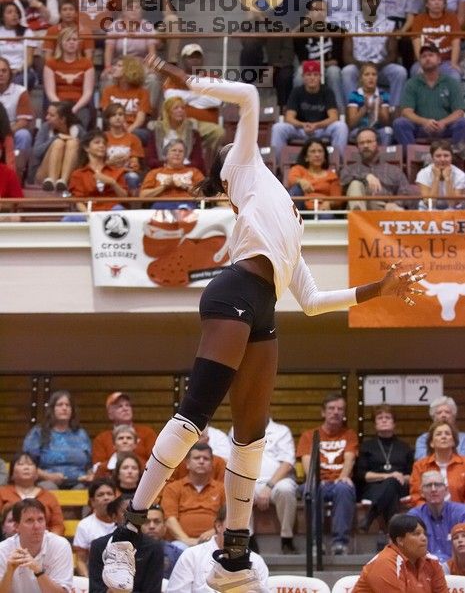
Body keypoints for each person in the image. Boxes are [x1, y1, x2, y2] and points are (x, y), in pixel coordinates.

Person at [101, 59, 427, 593]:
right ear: (231, 173)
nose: (243, 147)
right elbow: (249, 99)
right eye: (234, 152)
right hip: (233, 291)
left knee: (250, 434)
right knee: (193, 417)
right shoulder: (244, 167)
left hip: (264, 309)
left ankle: (232, 554)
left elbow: (316, 300)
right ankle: (126, 535)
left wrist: (378, 290)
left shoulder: (289, 219)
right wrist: (195, 83)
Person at [297, 392, 358, 555]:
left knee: (344, 489)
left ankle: (340, 543)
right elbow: (306, 462)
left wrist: (343, 477)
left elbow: (349, 459)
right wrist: (316, 479)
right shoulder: (309, 435)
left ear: (344, 414)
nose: (336, 412)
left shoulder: (349, 435)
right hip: (317, 481)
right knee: (312, 489)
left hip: (338, 482)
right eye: (331, 408)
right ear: (323, 412)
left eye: (340, 409)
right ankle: (316, 543)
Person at [166, 505, 269, 593]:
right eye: (235, 522)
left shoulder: (257, 561)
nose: (241, 530)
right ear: (219, 526)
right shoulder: (191, 555)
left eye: (246, 524)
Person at [271, 60, 348, 164]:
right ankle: (278, 166)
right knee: (278, 128)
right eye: (309, 75)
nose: (312, 78)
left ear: (320, 76)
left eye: (315, 75)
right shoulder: (297, 92)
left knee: (341, 127)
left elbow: (333, 117)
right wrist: (303, 125)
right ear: (303, 77)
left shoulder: (327, 91)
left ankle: (338, 164)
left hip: (321, 129)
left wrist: (316, 125)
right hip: (301, 129)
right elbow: (289, 118)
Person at [342, 0, 408, 110]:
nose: (370, 3)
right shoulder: (351, 24)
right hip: (359, 67)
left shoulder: (388, 24)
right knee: (347, 71)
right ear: (360, 3)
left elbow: (392, 54)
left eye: (373, 0)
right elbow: (347, 56)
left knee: (400, 71)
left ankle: (393, 110)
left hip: (381, 67)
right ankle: (352, 110)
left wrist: (376, 67)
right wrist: (364, 67)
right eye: (366, 0)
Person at [352, 513, 449, 592]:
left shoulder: (432, 562)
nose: (424, 538)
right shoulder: (385, 563)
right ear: (400, 541)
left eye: (425, 534)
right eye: (416, 534)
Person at [163, 44, 224, 167]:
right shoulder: (174, 78)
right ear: (183, 60)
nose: (195, 60)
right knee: (185, 127)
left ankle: (208, 167)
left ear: (202, 59)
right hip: (182, 123)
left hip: (206, 125)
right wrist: (201, 94)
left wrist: (186, 97)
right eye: (191, 57)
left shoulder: (212, 77)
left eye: (197, 57)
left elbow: (217, 100)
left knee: (219, 132)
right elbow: (171, 97)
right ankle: (184, 165)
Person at [392, 44, 465, 147]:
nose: (427, 58)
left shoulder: (451, 82)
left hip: (446, 127)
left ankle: (455, 156)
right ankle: (413, 159)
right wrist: (424, 122)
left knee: (463, 123)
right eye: (423, 56)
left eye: (430, 55)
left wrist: (443, 122)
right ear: (420, 62)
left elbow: (459, 112)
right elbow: (406, 112)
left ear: (439, 59)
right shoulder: (411, 83)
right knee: (399, 123)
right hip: (421, 128)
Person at [89, 495, 165, 593]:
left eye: (136, 514)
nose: (132, 518)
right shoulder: (98, 545)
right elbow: (95, 589)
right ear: (114, 517)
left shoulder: (154, 548)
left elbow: (153, 589)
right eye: (126, 512)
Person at [357, 405, 414, 534]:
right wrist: (388, 476)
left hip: (401, 486)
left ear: (394, 423)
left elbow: (412, 475)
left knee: (393, 483)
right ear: (375, 424)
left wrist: (399, 477)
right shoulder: (367, 446)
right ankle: (391, 534)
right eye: (380, 418)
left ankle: (371, 515)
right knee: (391, 485)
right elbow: (362, 475)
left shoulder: (404, 447)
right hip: (373, 487)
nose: (384, 420)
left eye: (388, 418)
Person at [160, 443, 226, 550]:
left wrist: (214, 531)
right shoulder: (173, 488)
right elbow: (169, 519)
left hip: (214, 540)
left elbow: (228, 518)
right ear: (187, 463)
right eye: (196, 458)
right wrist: (186, 540)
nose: (201, 461)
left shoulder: (222, 489)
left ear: (211, 464)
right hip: (181, 542)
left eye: (206, 459)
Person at [22, 389, 92, 489]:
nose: (64, 408)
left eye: (68, 405)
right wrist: (48, 477)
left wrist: (89, 476)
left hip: (79, 482)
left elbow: (89, 465)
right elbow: (27, 464)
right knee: (50, 489)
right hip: (47, 481)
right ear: (52, 409)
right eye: (60, 405)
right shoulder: (38, 432)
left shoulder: (81, 434)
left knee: (85, 491)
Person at [0, 499, 74, 592]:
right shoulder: (2, 550)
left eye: (40, 519)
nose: (37, 526)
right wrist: (9, 572)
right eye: (29, 521)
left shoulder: (60, 545)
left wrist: (38, 571)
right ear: (16, 526)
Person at [250, 417, 298, 555]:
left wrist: (268, 486)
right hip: (250, 481)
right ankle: (248, 539)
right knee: (238, 490)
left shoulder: (281, 431)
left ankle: (286, 538)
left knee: (286, 490)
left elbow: (288, 463)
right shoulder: (237, 429)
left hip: (277, 481)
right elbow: (233, 460)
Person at [339, 127, 412, 211]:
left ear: (378, 144)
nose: (365, 146)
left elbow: (406, 193)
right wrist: (365, 176)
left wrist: (395, 204)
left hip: (384, 210)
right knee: (355, 183)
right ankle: (359, 217)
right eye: (361, 143)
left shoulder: (394, 170)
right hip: (358, 210)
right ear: (358, 147)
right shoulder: (349, 169)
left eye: (369, 142)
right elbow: (343, 181)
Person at [43, 26, 95, 130]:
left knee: (78, 126)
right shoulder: (50, 63)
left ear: (78, 43)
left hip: (79, 105)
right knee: (50, 124)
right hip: (58, 104)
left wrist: (75, 109)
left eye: (74, 40)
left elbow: (88, 93)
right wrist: (61, 108)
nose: (72, 42)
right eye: (68, 39)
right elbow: (50, 92)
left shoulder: (87, 64)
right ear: (61, 43)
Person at [0, 453, 64, 535]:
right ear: (12, 473)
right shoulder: (2, 493)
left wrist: (50, 543)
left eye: (30, 464)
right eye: (20, 464)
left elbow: (57, 525)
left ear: (37, 473)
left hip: (42, 542)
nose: (26, 467)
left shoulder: (49, 496)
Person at [408, 470, 465, 563]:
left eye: (438, 485)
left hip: (457, 570)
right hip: (426, 570)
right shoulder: (414, 516)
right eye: (428, 485)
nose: (433, 489)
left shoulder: (461, 512)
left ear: (446, 490)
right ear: (421, 492)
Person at [92, 391, 158, 467]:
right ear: (110, 414)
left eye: (128, 405)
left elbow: (155, 464)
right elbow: (97, 468)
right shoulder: (101, 439)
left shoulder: (147, 433)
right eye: (119, 406)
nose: (125, 408)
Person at [410, 0, 462, 82]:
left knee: (455, 77)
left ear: (444, 3)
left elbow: (456, 42)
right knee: (416, 72)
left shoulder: (452, 18)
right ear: (427, 4)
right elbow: (417, 44)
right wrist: (422, 63)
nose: (437, 2)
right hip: (426, 60)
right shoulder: (418, 19)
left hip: (446, 62)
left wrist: (454, 63)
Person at [29, 101, 83, 192]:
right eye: (47, 114)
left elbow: (87, 154)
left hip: (71, 173)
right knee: (58, 143)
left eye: (52, 115)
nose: (47, 117)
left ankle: (63, 182)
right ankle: (51, 182)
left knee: (72, 143)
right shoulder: (45, 128)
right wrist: (55, 138)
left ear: (63, 119)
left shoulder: (78, 129)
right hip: (44, 174)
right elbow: (36, 152)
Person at [410, 421, 465, 505]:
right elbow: (416, 496)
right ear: (431, 443)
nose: (443, 437)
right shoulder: (420, 466)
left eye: (447, 434)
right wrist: (429, 514)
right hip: (429, 514)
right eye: (438, 434)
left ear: (454, 441)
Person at [140, 138, 204, 210]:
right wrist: (164, 186)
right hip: (161, 205)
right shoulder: (154, 173)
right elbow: (143, 196)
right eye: (174, 150)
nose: (177, 153)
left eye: (181, 151)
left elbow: (205, 194)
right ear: (166, 154)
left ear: (185, 156)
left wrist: (184, 186)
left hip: (187, 204)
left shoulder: (195, 172)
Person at [73, 478, 117, 576]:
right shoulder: (84, 525)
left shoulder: (125, 523)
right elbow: (81, 561)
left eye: (109, 494)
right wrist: (90, 582)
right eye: (101, 495)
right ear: (92, 502)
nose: (106, 498)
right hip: (96, 577)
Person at [287, 138, 342, 216]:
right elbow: (291, 180)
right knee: (296, 188)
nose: (317, 155)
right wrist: (301, 181)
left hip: (322, 209)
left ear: (325, 156)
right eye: (313, 151)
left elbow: (337, 199)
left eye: (320, 151)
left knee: (326, 214)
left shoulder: (331, 176)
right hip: (301, 209)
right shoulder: (298, 169)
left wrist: (329, 203)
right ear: (306, 157)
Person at [152, 96, 206, 172]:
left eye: (183, 108)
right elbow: (151, 160)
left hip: (187, 171)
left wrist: (180, 166)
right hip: (162, 170)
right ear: (168, 112)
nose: (180, 110)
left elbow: (198, 161)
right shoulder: (157, 132)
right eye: (176, 108)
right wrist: (169, 165)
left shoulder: (193, 133)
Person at [346, 62, 392, 146]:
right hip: (359, 130)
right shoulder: (355, 95)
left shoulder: (383, 95)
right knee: (354, 134)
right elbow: (351, 124)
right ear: (361, 78)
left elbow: (386, 123)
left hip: (377, 130)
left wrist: (378, 109)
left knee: (387, 131)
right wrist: (364, 109)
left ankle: (382, 158)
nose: (371, 77)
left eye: (374, 74)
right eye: (366, 75)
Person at [0, 58, 35, 162]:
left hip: (12, 129)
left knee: (24, 135)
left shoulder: (20, 91)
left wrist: (6, 132)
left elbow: (23, 121)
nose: (1, 74)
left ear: (10, 73)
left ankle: (19, 169)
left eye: (4, 71)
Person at [416, 140, 465, 210]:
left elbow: (453, 204)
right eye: (438, 156)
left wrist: (447, 178)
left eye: (446, 156)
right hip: (428, 209)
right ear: (432, 158)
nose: (442, 159)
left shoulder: (460, 175)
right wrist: (436, 178)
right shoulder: (423, 173)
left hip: (452, 209)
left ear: (451, 157)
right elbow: (430, 203)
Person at [0, 2, 36, 88]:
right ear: (2, 16)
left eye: (16, 12)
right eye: (10, 12)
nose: (14, 15)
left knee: (15, 83)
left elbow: (29, 60)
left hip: (22, 71)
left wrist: (17, 70)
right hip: (2, 70)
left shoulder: (27, 32)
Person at [140, 504, 182, 578]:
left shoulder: (176, 554)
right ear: (139, 526)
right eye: (146, 522)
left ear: (165, 527)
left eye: (157, 521)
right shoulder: (131, 552)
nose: (151, 526)